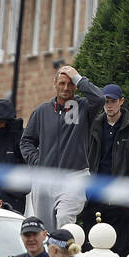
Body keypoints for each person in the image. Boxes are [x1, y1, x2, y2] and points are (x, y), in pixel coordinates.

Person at [19, 64, 104, 232]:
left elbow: (100, 98)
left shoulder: (83, 108)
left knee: (65, 219)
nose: (66, 88)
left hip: (74, 176)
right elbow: (26, 141)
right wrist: (38, 162)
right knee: (45, 230)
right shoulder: (42, 111)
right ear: (55, 83)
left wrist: (78, 78)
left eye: (70, 83)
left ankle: (65, 255)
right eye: (62, 83)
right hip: (44, 178)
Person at [81, 83, 129, 257]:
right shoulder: (94, 126)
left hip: (121, 201)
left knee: (121, 251)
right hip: (95, 198)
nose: (109, 105)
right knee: (92, 251)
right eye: (105, 101)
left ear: (121, 101)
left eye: (113, 101)